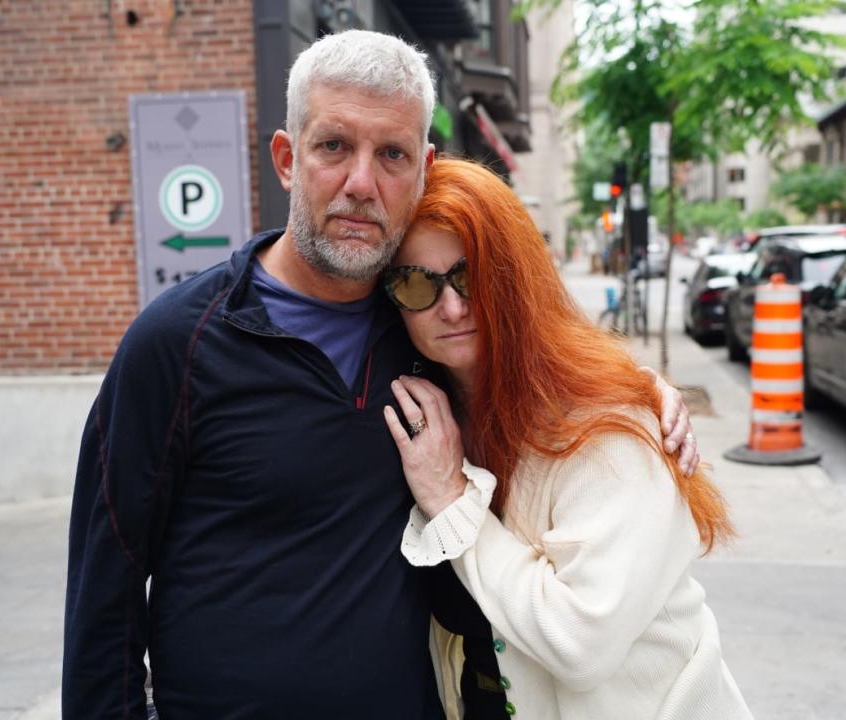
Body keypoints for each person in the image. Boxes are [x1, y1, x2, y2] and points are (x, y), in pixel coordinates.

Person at [63, 30, 698, 718]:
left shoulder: (423, 325)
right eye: (334, 146)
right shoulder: (177, 344)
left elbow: (527, 346)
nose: (361, 183)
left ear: (422, 168)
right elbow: (106, 595)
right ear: (287, 158)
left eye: (391, 154)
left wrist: (627, 389)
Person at [382, 158, 753, 720]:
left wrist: (453, 500)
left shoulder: (605, 427)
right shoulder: (422, 415)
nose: (452, 306)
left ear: (516, 277)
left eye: (471, 276)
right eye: (416, 284)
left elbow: (580, 644)